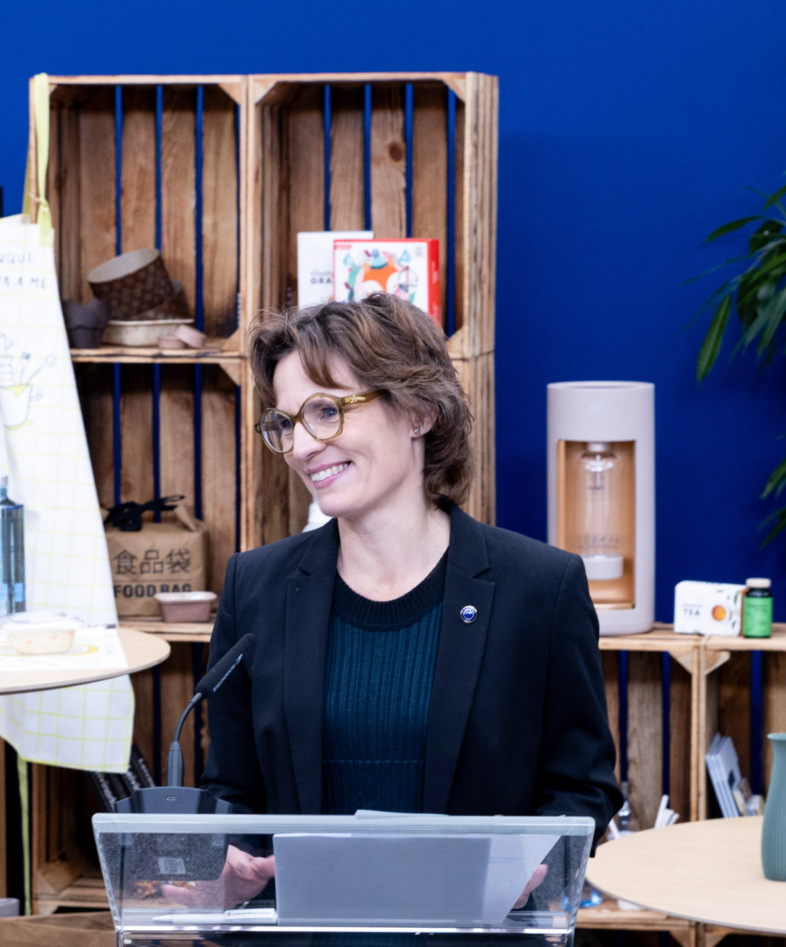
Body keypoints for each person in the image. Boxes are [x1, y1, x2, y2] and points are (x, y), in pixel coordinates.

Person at [180, 293, 622, 909]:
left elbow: (584, 790)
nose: (302, 447)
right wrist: (226, 870)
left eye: (326, 411)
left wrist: (530, 865)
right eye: (287, 422)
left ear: (418, 411)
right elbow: (234, 792)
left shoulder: (541, 588)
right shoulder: (255, 587)